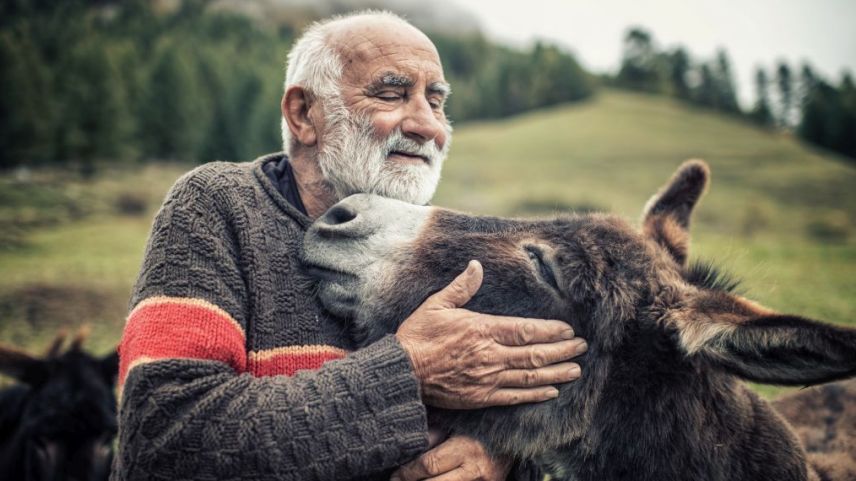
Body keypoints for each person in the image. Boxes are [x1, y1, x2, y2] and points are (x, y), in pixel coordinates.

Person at [112, 11, 587, 481]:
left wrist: (500, 459)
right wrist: (410, 371)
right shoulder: (217, 205)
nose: (428, 126)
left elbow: (526, 413)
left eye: (436, 102)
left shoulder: (443, 244)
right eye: (391, 94)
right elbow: (164, 438)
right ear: (303, 114)